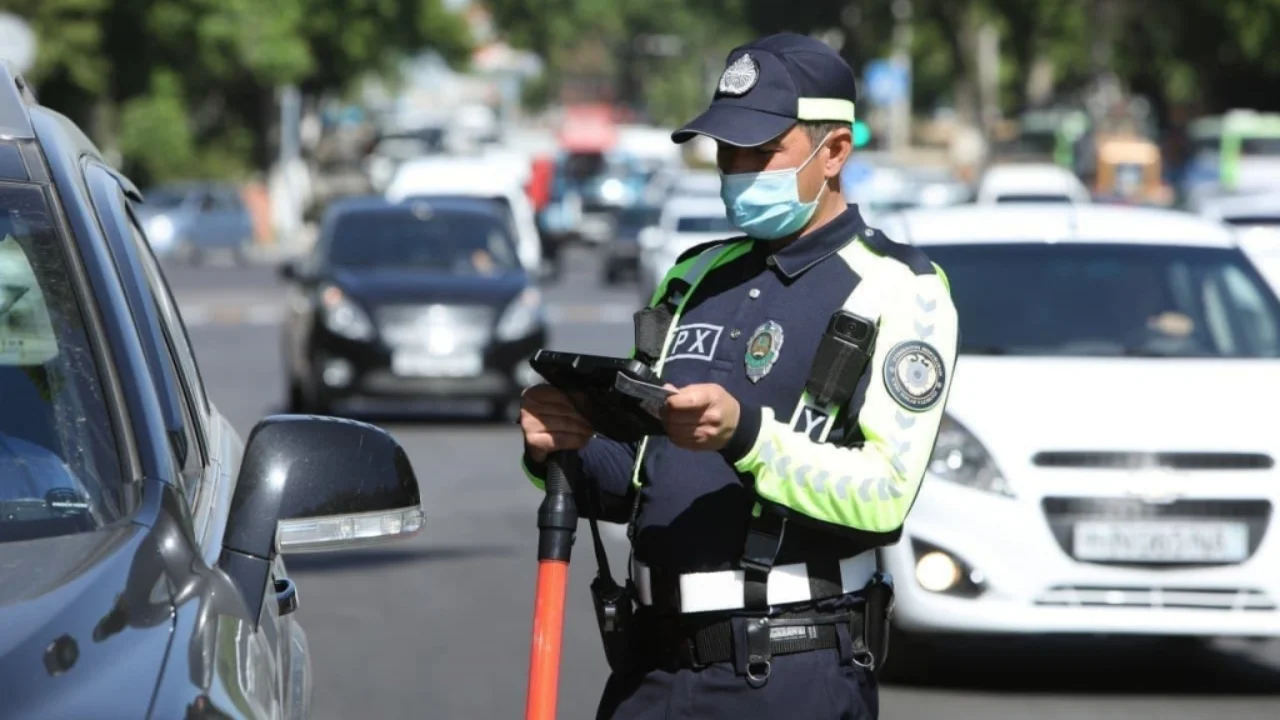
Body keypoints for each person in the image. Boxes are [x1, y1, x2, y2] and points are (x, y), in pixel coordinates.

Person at [519, 33, 959, 720]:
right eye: (727, 151)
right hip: (651, 665)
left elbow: (884, 497)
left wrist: (746, 435)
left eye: (761, 151)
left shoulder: (901, 288)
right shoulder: (693, 274)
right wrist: (565, 443)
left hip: (788, 667)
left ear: (835, 150)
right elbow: (642, 479)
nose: (737, 169)